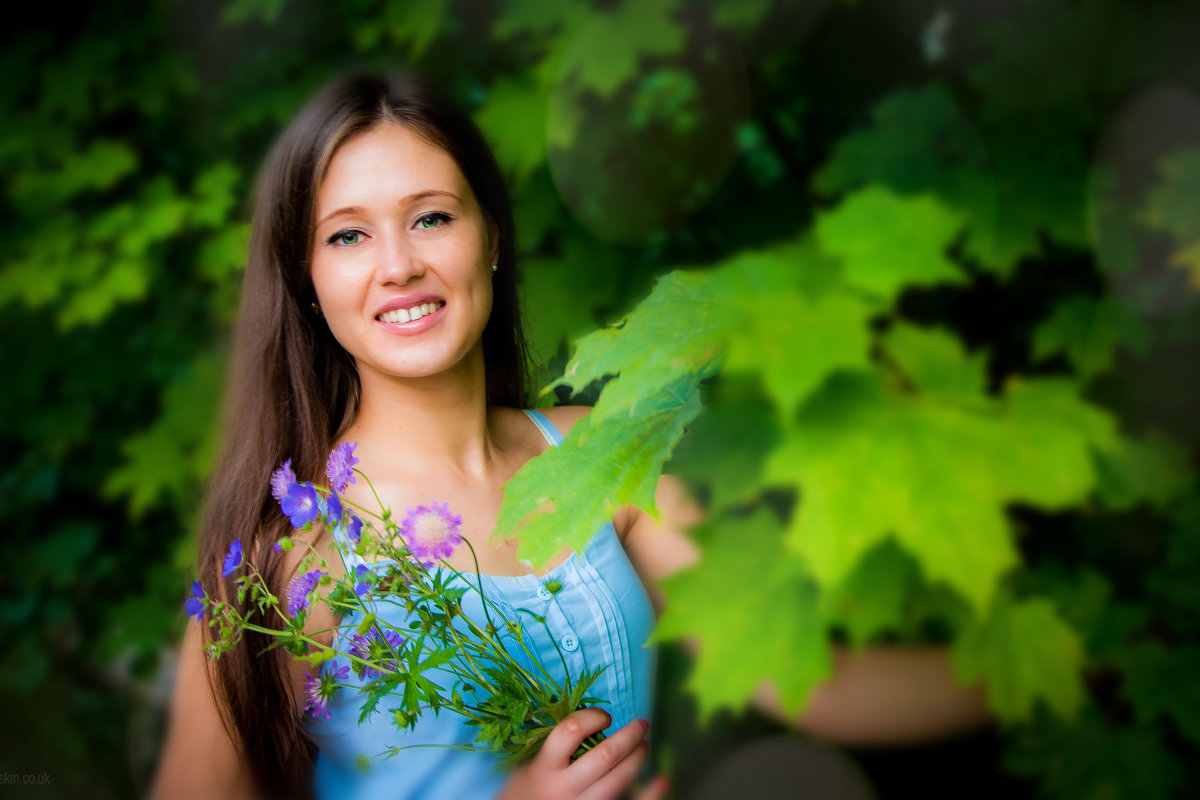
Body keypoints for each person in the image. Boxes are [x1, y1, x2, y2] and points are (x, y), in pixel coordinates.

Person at [151, 72, 987, 800]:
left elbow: (813, 684)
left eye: (432, 217)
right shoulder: (287, 558)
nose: (398, 264)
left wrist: (1040, 677)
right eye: (347, 235)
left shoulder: (601, 455)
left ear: (493, 239)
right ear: (308, 279)